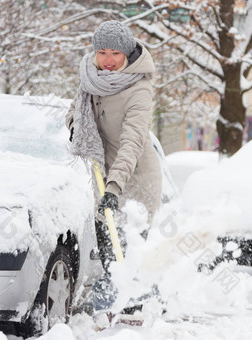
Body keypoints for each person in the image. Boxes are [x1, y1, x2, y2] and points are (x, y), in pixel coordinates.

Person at [66, 20, 162, 270]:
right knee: (109, 260)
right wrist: (75, 126)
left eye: (115, 53)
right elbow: (75, 109)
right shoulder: (91, 79)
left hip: (136, 182)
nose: (108, 59)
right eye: (102, 52)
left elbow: (132, 142)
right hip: (104, 177)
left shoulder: (138, 89)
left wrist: (114, 187)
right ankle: (112, 308)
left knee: (130, 263)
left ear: (127, 54)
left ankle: (136, 308)